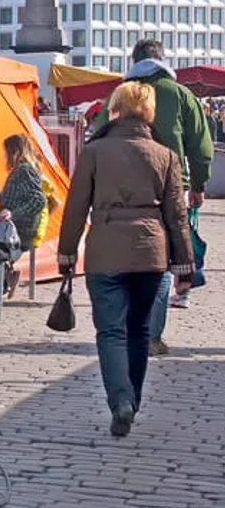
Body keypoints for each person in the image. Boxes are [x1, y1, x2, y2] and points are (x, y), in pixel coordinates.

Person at [58, 81, 193, 437]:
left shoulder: (95, 151)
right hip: (151, 251)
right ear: (149, 113)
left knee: (111, 330)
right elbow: (177, 216)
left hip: (105, 250)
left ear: (115, 110)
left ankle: (121, 401)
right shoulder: (165, 155)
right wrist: (185, 265)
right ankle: (132, 398)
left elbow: (75, 208)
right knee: (139, 330)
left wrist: (66, 252)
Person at [98, 39, 212, 353]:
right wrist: (199, 185)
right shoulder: (181, 95)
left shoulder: (119, 95)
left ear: (133, 60)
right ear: (163, 60)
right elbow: (201, 149)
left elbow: (96, 140)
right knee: (160, 263)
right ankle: (149, 336)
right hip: (169, 189)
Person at [0, 133, 46, 299]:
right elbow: (14, 199)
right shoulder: (24, 170)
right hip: (17, 228)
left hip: (19, 232)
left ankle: (2, 282)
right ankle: (7, 276)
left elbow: (39, 200)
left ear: (13, 151)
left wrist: (13, 214)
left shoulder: (24, 171)